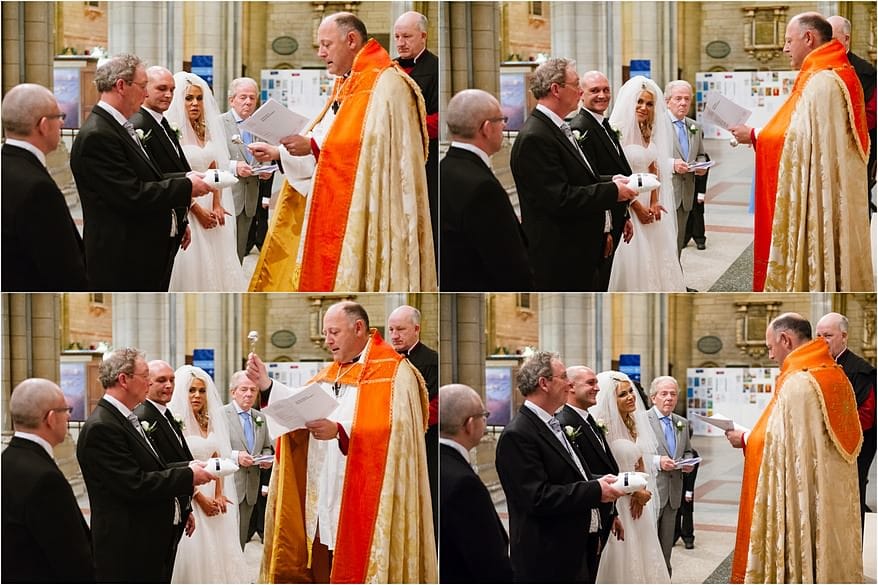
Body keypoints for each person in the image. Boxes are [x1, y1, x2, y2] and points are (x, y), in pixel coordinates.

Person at [248, 12, 435, 292]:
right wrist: (279, 152)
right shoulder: (349, 81)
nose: (321, 53)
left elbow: (372, 147)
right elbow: (327, 134)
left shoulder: (387, 85)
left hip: (375, 207)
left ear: (350, 40)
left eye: (326, 45)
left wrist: (310, 147)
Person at [252, 301, 436, 582]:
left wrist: (340, 430)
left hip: (367, 495)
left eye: (333, 332)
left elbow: (397, 433)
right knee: (324, 557)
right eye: (326, 333)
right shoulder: (332, 372)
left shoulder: (397, 373)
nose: (327, 340)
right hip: (325, 489)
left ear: (358, 328)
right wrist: (267, 385)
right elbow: (299, 401)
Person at [729, 13, 872, 292]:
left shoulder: (821, 82)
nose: (784, 48)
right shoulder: (838, 72)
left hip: (822, 192)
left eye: (788, 40)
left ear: (808, 38)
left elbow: (797, 140)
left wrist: (755, 135)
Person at [724, 313, 863, 583]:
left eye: (770, 347)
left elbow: (778, 448)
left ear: (785, 340)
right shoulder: (835, 373)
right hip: (829, 496)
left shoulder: (798, 383)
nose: (771, 356)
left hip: (803, 496)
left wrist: (743, 438)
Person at [69, 53, 212, 291]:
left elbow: (145, 177)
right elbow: (131, 194)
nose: (146, 94)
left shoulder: (117, 126)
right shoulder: (98, 135)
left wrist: (183, 180)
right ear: (121, 86)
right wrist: (187, 187)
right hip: (122, 257)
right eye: (143, 86)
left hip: (141, 250)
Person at [76, 348, 216, 583]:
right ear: (124, 380)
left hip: (146, 538)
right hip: (127, 545)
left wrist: (189, 465)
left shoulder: (124, 417)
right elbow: (134, 484)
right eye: (145, 376)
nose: (149, 382)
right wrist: (188, 476)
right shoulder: (103, 426)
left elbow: (151, 465)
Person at [495, 351, 624, 583]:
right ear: (544, 383)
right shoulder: (519, 434)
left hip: (572, 546)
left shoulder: (551, 422)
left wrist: (603, 481)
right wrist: (596, 490)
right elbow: (537, 497)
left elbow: (569, 475)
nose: (568, 383)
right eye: (563, 377)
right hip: (547, 553)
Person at [510, 58, 637, 291]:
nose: (580, 91)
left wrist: (611, 180)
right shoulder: (536, 136)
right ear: (556, 89)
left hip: (577, 248)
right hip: (559, 253)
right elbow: (559, 198)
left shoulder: (555, 127)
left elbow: (578, 178)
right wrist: (612, 192)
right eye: (576, 84)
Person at [440, 89, 533, 291]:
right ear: (487, 128)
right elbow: (508, 265)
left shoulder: (442, 169)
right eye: (502, 120)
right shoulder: (483, 187)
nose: (505, 125)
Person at [2, 378, 93, 583]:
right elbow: (71, 556)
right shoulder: (46, 479)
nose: (69, 416)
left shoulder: (6, 459)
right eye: (66, 409)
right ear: (51, 418)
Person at [165, 366, 249, 584]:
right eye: (191, 390)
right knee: (196, 553)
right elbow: (175, 467)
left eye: (201, 391)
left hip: (213, 495)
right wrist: (200, 499)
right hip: (191, 497)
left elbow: (217, 460)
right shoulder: (174, 424)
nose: (197, 396)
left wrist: (220, 493)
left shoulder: (208, 421)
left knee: (221, 551)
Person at [164, 72, 247, 291]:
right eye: (188, 98)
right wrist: (198, 210)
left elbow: (215, 168)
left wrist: (218, 203)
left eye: (199, 99)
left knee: (220, 260)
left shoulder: (206, 130)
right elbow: (173, 175)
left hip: (212, 203)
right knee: (195, 262)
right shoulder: (172, 134)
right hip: (189, 206)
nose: (194, 104)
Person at [1, 83, 88, 291]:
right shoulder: (38, 189)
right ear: (43, 125)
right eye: (59, 117)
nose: (61, 124)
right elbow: (63, 270)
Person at [588, 371, 670, 584]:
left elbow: (639, 461)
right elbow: (603, 470)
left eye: (631, 391)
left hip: (637, 501)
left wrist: (643, 490)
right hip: (617, 502)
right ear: (610, 400)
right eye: (622, 394)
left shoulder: (631, 423)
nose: (631, 397)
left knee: (644, 554)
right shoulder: (601, 427)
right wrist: (634, 490)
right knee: (621, 555)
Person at [607, 76, 686, 291]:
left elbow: (654, 167)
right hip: (628, 202)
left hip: (649, 202)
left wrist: (654, 200)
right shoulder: (617, 133)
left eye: (649, 104)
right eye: (639, 102)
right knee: (636, 256)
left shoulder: (647, 131)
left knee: (658, 254)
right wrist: (637, 206)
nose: (644, 107)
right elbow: (615, 174)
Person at [439, 383, 513, 584]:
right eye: (484, 415)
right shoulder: (464, 484)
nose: (485, 421)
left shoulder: (430, 463)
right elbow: (487, 559)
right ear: (469, 424)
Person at [569, 71, 635, 291]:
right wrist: (605, 228)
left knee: (607, 276)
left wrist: (624, 214)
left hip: (615, 213)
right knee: (599, 279)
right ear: (581, 94)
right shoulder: (581, 128)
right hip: (600, 221)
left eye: (606, 90)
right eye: (595, 90)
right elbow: (590, 181)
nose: (602, 95)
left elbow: (617, 168)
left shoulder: (604, 124)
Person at [556, 365, 621, 582]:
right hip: (583, 515)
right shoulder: (565, 422)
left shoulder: (589, 419)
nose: (597, 388)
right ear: (571, 387)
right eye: (591, 383)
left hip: (601, 510)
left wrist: (613, 513)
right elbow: (574, 475)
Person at [130, 66, 193, 279]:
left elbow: (178, 166)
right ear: (145, 89)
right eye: (162, 88)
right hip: (156, 224)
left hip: (174, 219)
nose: (168, 95)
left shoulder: (163, 122)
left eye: (172, 90)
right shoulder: (139, 124)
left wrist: (182, 220)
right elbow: (150, 178)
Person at [816, 311, 876, 528]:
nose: (822, 341)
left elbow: (866, 417)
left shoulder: (861, 371)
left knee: (850, 499)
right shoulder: (816, 367)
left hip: (853, 451)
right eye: (818, 335)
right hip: (821, 450)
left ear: (844, 336)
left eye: (828, 336)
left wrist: (830, 433)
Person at [134, 360, 195, 563]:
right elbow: (156, 467)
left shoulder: (166, 413)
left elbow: (181, 456)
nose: (169, 385)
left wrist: (187, 507)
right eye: (161, 380)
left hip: (178, 507)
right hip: (162, 510)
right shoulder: (144, 417)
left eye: (172, 380)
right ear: (147, 384)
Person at [388, 304, 439, 545]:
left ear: (417, 329)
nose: (394, 335)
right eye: (391, 330)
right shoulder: (387, 361)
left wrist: (403, 421)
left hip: (423, 444)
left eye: (400, 329)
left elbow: (435, 407)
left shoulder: (431, 360)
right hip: (392, 445)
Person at [394, 10, 438, 265]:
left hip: (423, 159)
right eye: (397, 36)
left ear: (423, 36)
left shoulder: (435, 68)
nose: (401, 42)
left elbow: (437, 119)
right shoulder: (389, 69)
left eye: (407, 36)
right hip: (393, 160)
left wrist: (404, 128)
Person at [219, 77, 274, 262]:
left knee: (240, 252)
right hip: (226, 198)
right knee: (224, 253)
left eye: (252, 98)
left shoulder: (260, 126)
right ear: (231, 99)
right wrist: (234, 167)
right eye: (243, 97)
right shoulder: (219, 123)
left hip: (250, 198)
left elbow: (264, 154)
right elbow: (210, 159)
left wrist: (266, 169)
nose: (248, 102)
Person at [645, 376, 693, 576]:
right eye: (664, 394)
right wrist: (657, 461)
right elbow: (635, 454)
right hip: (651, 492)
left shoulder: (681, 422)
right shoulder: (641, 420)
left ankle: (664, 578)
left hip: (673, 494)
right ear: (653, 397)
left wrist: (688, 462)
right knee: (647, 545)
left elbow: (689, 451)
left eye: (673, 394)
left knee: (666, 548)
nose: (669, 398)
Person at [828, 15, 876, 209]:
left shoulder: (866, 71)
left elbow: (871, 115)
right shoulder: (820, 67)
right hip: (827, 148)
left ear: (846, 39)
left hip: (856, 148)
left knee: (856, 203)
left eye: (830, 38)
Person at [223, 370, 274, 549]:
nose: (249, 394)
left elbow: (267, 445)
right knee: (226, 537)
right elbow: (214, 449)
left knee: (242, 536)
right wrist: (236, 456)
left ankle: (238, 575)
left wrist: (267, 459)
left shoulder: (260, 417)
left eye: (253, 390)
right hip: (228, 486)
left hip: (251, 485)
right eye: (244, 389)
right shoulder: (221, 415)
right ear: (233, 392)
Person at [664, 80, 708, 256]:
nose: (683, 103)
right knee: (664, 243)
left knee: (679, 242)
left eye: (687, 99)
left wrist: (701, 164)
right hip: (665, 194)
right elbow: (649, 157)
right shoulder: (657, 125)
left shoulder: (694, 126)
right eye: (678, 98)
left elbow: (701, 153)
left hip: (686, 193)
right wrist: (672, 164)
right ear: (667, 101)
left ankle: (676, 281)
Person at [674, 424, 699, 549]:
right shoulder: (674, 450)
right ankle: (674, 534)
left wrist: (689, 491)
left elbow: (692, 476)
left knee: (687, 512)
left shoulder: (693, 453)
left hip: (686, 488)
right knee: (676, 511)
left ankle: (688, 537)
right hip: (674, 486)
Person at [683, 153, 710, 250]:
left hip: (697, 188)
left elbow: (704, 177)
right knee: (685, 212)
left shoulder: (702, 156)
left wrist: (701, 193)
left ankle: (699, 238)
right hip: (684, 187)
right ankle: (685, 237)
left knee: (698, 212)